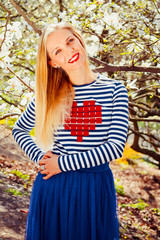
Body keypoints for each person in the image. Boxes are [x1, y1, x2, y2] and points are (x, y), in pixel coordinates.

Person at [12, 22, 129, 240]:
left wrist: (61, 164)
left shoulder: (115, 90)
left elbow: (114, 148)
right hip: (53, 188)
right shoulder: (49, 96)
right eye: (58, 51)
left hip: (94, 189)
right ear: (52, 63)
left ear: (79, 39)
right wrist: (42, 158)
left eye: (70, 41)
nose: (69, 51)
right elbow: (19, 129)